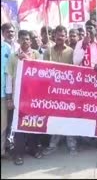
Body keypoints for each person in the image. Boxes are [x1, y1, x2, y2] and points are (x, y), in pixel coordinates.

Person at [6, 30, 42, 165]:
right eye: (23, 39)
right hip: (17, 97)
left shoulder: (37, 55)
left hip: (33, 97)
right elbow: (9, 78)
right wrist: (9, 98)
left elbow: (42, 73)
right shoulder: (13, 57)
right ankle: (18, 153)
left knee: (32, 123)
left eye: (27, 39)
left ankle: (33, 149)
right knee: (18, 125)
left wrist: (28, 61)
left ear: (31, 41)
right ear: (19, 41)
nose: (25, 41)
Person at [42, 25, 78, 156]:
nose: (60, 37)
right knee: (54, 118)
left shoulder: (71, 52)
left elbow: (76, 72)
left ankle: (72, 145)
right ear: (54, 36)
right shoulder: (48, 52)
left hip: (68, 91)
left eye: (62, 35)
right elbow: (43, 71)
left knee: (69, 118)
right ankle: (53, 145)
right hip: (52, 91)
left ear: (66, 36)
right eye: (57, 35)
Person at [1, 38, 11, 159]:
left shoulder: (7, 48)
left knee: (3, 125)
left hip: (3, 94)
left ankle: (2, 151)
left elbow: (9, 73)